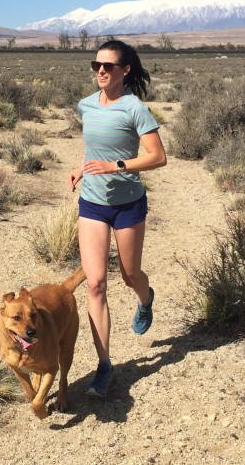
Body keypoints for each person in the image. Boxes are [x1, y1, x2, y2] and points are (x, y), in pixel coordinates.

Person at [67, 39, 167, 397]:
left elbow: (157, 157)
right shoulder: (86, 106)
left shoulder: (134, 108)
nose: (101, 71)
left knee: (129, 275)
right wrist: (83, 167)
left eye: (108, 66)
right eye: (96, 65)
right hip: (92, 202)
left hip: (128, 204)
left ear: (125, 70)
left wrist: (117, 165)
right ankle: (105, 366)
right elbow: (93, 145)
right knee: (95, 283)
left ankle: (146, 299)